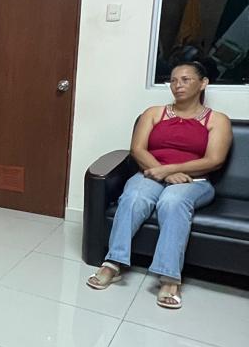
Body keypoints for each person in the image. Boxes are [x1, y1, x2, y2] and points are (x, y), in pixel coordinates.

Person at [87, 61, 232, 308]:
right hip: (151, 173)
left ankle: (170, 277)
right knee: (133, 197)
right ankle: (113, 262)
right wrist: (163, 174)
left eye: (185, 79)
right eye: (173, 80)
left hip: (194, 180)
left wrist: (170, 170)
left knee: (172, 201)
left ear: (203, 83)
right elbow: (137, 149)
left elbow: (214, 160)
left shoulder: (217, 120)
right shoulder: (154, 113)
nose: (178, 85)